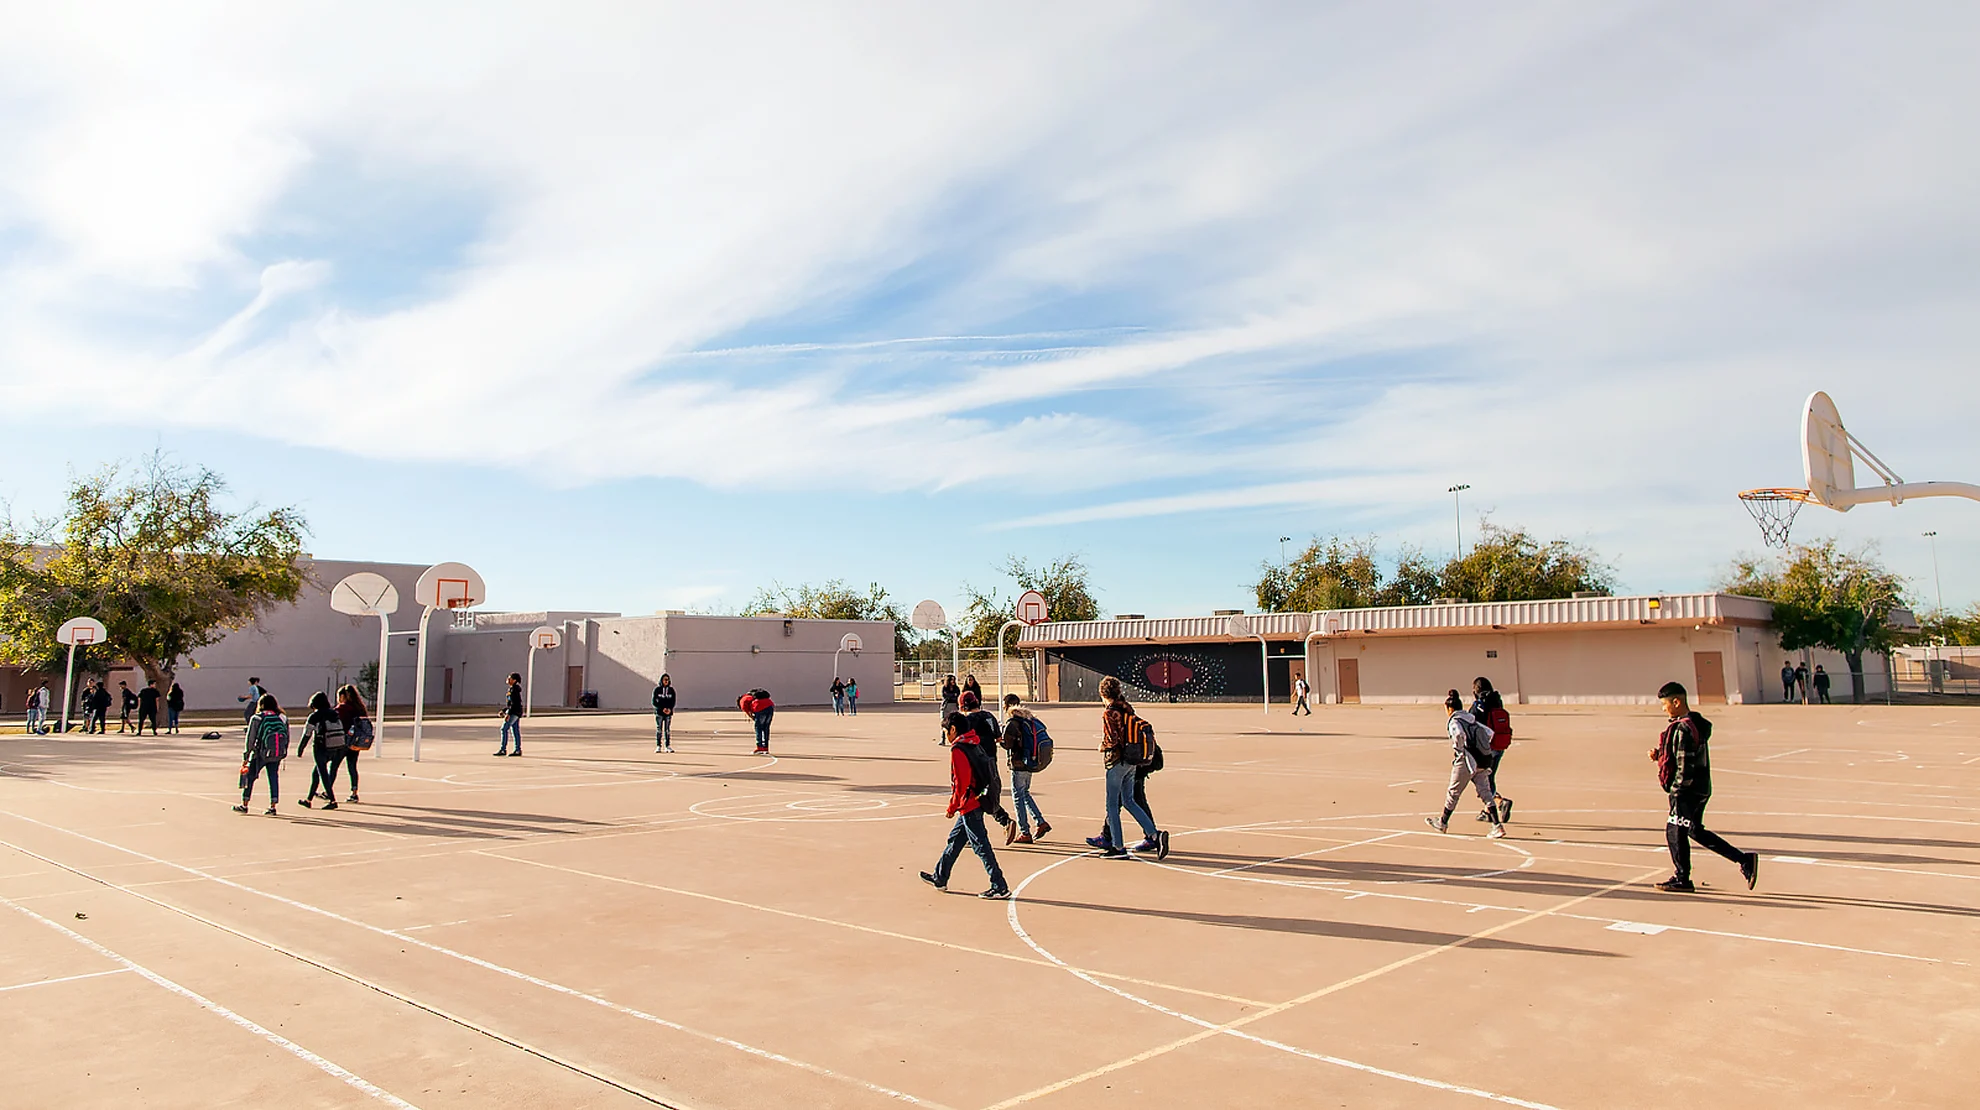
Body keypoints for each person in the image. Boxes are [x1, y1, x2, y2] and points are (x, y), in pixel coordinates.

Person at [1651, 680, 1758, 893]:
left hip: (1687, 790)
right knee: (1693, 830)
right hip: (1701, 788)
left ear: (1676, 701)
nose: (1664, 709)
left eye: (1665, 704)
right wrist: (1660, 756)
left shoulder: (1682, 728)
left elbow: (1685, 763)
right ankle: (1744, 860)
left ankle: (1682, 878)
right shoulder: (1695, 723)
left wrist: (1677, 791)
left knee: (1674, 831)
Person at [919, 711, 1011, 899]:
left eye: (946, 731)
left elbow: (961, 782)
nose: (945, 735)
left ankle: (999, 885)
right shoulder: (973, 742)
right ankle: (940, 877)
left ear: (953, 729)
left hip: (969, 804)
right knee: (955, 840)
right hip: (975, 800)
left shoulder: (958, 750)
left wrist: (952, 807)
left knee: (981, 845)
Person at [1086, 676, 1166, 859]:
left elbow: (1112, 740)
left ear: (1102, 694)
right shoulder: (1127, 708)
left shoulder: (1109, 713)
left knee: (1112, 805)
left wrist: (1102, 746)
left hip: (1117, 762)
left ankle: (1118, 847)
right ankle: (1155, 834)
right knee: (1129, 800)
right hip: (1132, 762)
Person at [1426, 689, 1508, 838]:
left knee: (1454, 791)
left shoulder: (1455, 721)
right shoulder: (1471, 718)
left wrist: (1460, 749)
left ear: (1449, 708)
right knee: (1486, 791)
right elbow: (1489, 733)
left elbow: (1458, 734)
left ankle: (1443, 822)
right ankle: (1497, 825)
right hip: (1484, 758)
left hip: (1466, 759)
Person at [960, 690, 1016, 843]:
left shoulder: (968, 721)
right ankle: (968, 834)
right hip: (991, 760)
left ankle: (1002, 821)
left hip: (977, 763)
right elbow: (998, 737)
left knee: (976, 796)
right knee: (984, 794)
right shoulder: (989, 716)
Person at [1000, 693, 1053, 844]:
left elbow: (1007, 744)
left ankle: (1025, 831)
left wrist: (998, 739)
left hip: (1019, 764)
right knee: (1025, 793)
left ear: (1009, 705)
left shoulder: (1013, 722)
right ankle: (1040, 821)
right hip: (1030, 762)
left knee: (1018, 796)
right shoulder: (1027, 719)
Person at [1470, 676, 1514, 824]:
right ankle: (1489, 809)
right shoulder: (1497, 700)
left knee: (1479, 778)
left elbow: (1472, 725)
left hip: (1485, 747)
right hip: (1499, 743)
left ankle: (1498, 802)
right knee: (1489, 777)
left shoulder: (1479, 705)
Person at [236, 693, 287, 815]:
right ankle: (273, 805)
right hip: (276, 752)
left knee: (251, 777)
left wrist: (246, 755)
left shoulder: (257, 718)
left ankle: (245, 804)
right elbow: (286, 736)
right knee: (273, 777)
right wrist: (283, 750)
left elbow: (250, 739)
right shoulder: (282, 717)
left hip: (260, 753)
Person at [296, 690, 347, 809]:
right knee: (316, 773)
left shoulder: (314, 716)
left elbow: (307, 734)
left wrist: (300, 749)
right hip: (336, 747)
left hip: (321, 747)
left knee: (323, 773)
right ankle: (308, 800)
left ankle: (332, 800)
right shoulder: (334, 713)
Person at [335, 684, 370, 803]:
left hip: (344, 741)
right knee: (352, 767)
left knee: (334, 766)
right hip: (356, 741)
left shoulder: (342, 709)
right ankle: (354, 792)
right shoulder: (359, 708)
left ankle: (328, 790)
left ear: (343, 696)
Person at [496, 672, 524, 756]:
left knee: (504, 729)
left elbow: (514, 704)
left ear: (514, 680)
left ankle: (503, 749)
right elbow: (510, 703)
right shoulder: (511, 689)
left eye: (510, 678)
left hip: (514, 712)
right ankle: (517, 749)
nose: (508, 679)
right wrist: (504, 711)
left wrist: (508, 714)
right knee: (515, 730)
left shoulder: (514, 690)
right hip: (514, 711)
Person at [740, 689, 775, 754]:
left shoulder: (743, 700)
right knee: (766, 727)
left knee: (758, 728)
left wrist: (753, 718)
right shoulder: (751, 696)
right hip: (770, 706)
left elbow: (748, 713)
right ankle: (766, 748)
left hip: (759, 707)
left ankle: (760, 748)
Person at [652, 673, 677, 753]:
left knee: (667, 729)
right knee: (659, 729)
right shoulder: (657, 690)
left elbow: (673, 701)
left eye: (667, 680)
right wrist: (662, 709)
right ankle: (658, 745)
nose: (666, 681)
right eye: (665, 680)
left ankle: (668, 746)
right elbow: (654, 702)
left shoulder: (671, 690)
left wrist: (669, 709)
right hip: (659, 713)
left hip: (668, 714)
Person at [937, 675, 961, 742]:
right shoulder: (944, 688)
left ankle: (955, 738)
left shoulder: (957, 688)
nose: (953, 681)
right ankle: (943, 739)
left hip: (954, 706)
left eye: (954, 680)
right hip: (946, 706)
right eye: (951, 680)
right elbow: (945, 696)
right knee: (944, 722)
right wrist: (953, 695)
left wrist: (953, 696)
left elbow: (957, 696)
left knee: (955, 723)